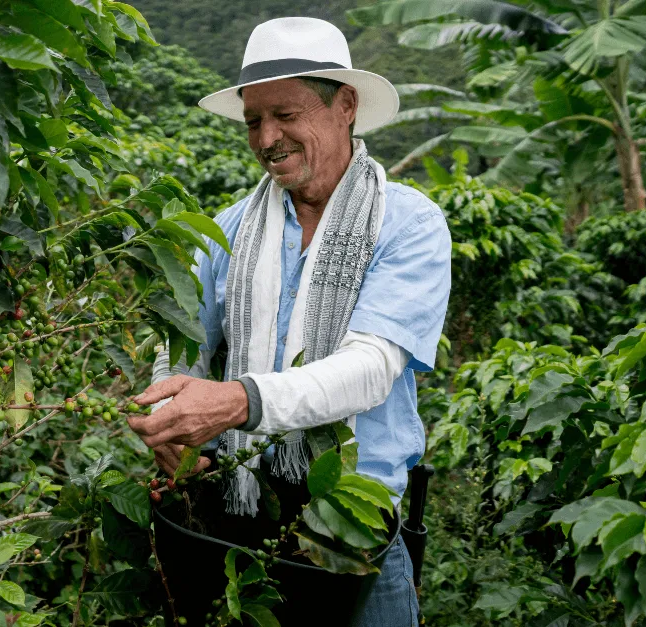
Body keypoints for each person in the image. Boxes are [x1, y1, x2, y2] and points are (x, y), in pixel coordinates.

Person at [126, 17, 451, 626]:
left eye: (287, 115)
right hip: (232, 515)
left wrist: (235, 402)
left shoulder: (409, 225)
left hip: (355, 526)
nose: (266, 137)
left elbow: (369, 370)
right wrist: (171, 427)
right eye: (254, 120)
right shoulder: (227, 230)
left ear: (345, 106)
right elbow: (181, 344)